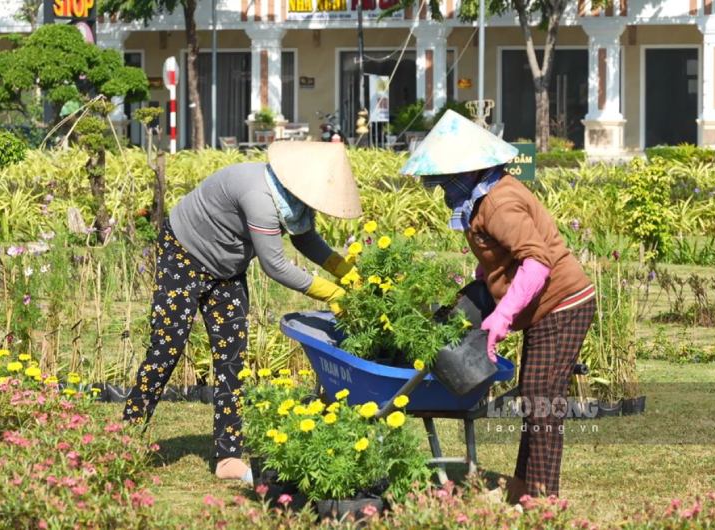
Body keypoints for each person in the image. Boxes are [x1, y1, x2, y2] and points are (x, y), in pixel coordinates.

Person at [123, 142, 361, 483]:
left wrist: (345, 271)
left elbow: (305, 240)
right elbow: (275, 266)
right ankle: (126, 436)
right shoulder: (260, 197)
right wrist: (333, 293)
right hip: (184, 254)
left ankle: (228, 457)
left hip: (227, 269)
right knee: (166, 349)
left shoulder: (291, 200)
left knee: (232, 358)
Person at [402, 111, 596, 499]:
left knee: (541, 399)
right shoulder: (481, 198)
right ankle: (525, 489)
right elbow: (499, 257)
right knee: (535, 394)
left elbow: (537, 262)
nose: (440, 189)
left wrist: (503, 314)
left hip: (563, 302)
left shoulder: (499, 201)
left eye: (443, 179)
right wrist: (482, 289)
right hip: (544, 306)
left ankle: (542, 500)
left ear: (466, 170)